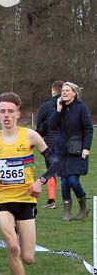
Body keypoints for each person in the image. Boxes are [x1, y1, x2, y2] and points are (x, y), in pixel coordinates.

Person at [0, 92, 59, 275]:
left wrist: (41, 181)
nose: (6, 115)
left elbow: (55, 161)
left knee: (28, 257)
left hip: (25, 199)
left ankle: (20, 234)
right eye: (2, 111)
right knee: (12, 247)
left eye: (10, 111)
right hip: (1, 198)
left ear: (18, 113)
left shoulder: (31, 136)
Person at [49, 82, 92, 221]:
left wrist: (86, 147)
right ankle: (67, 211)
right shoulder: (59, 107)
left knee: (73, 180)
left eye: (67, 90)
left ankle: (83, 206)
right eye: (63, 90)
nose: (64, 92)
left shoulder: (81, 107)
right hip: (62, 151)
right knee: (64, 183)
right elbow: (52, 126)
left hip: (77, 150)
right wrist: (58, 110)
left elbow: (88, 129)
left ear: (74, 93)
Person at [35, 81, 63, 209]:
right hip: (67, 143)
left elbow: (40, 123)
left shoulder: (46, 106)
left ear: (53, 91)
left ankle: (51, 200)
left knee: (51, 170)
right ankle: (70, 201)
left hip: (50, 143)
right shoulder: (70, 105)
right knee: (67, 172)